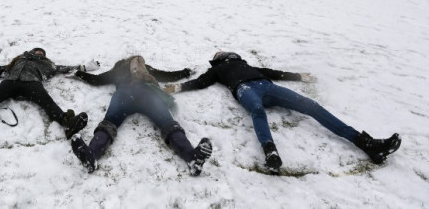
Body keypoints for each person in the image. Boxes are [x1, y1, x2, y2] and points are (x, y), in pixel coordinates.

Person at [165, 51, 401, 173]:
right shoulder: (218, 70)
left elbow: (274, 72)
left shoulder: (248, 65)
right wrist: (179, 87)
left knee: (312, 106)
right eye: (219, 54)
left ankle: (366, 143)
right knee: (257, 110)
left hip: (268, 87)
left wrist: (299, 76)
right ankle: (270, 153)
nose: (222, 53)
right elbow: (201, 82)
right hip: (245, 90)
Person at [70, 55, 213, 176]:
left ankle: (92, 154)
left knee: (110, 121)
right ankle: (91, 157)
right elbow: (166, 75)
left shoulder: (120, 71)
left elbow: (97, 80)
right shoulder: (139, 70)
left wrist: (186, 72)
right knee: (167, 122)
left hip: (126, 95)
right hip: (146, 94)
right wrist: (78, 73)